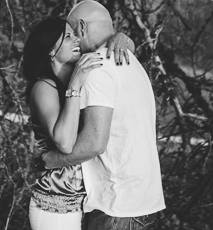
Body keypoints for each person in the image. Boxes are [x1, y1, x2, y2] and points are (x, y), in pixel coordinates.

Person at [42, 0, 165, 230]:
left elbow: (94, 144)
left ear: (81, 27)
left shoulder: (96, 67)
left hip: (117, 206)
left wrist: (49, 160)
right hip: (143, 203)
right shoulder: (130, 60)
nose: (74, 41)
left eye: (72, 34)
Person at [23, 16, 134, 230]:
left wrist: (122, 38)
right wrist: (75, 82)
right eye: (67, 36)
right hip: (55, 204)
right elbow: (64, 143)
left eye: (75, 34)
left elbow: (124, 51)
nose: (76, 40)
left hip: (82, 202)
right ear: (49, 50)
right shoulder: (44, 87)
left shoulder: (80, 73)